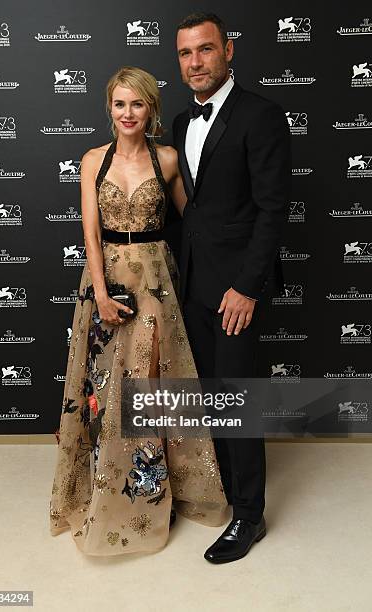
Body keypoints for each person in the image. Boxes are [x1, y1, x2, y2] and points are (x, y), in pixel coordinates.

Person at [49, 66, 228, 556]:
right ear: (109, 108)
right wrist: (101, 293)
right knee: (105, 387)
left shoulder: (168, 158)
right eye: (120, 104)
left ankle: (154, 491)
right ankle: (107, 489)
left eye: (138, 104)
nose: (128, 113)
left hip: (156, 283)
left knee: (151, 385)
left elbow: (194, 220)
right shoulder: (92, 160)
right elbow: (89, 233)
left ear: (151, 109)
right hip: (106, 281)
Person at [172, 13, 292, 563]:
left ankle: (250, 516)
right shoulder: (179, 122)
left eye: (205, 50)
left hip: (235, 290)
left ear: (228, 51)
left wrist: (248, 287)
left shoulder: (261, 116)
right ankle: (222, 490)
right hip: (194, 283)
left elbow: (272, 210)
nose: (195, 62)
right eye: (185, 53)